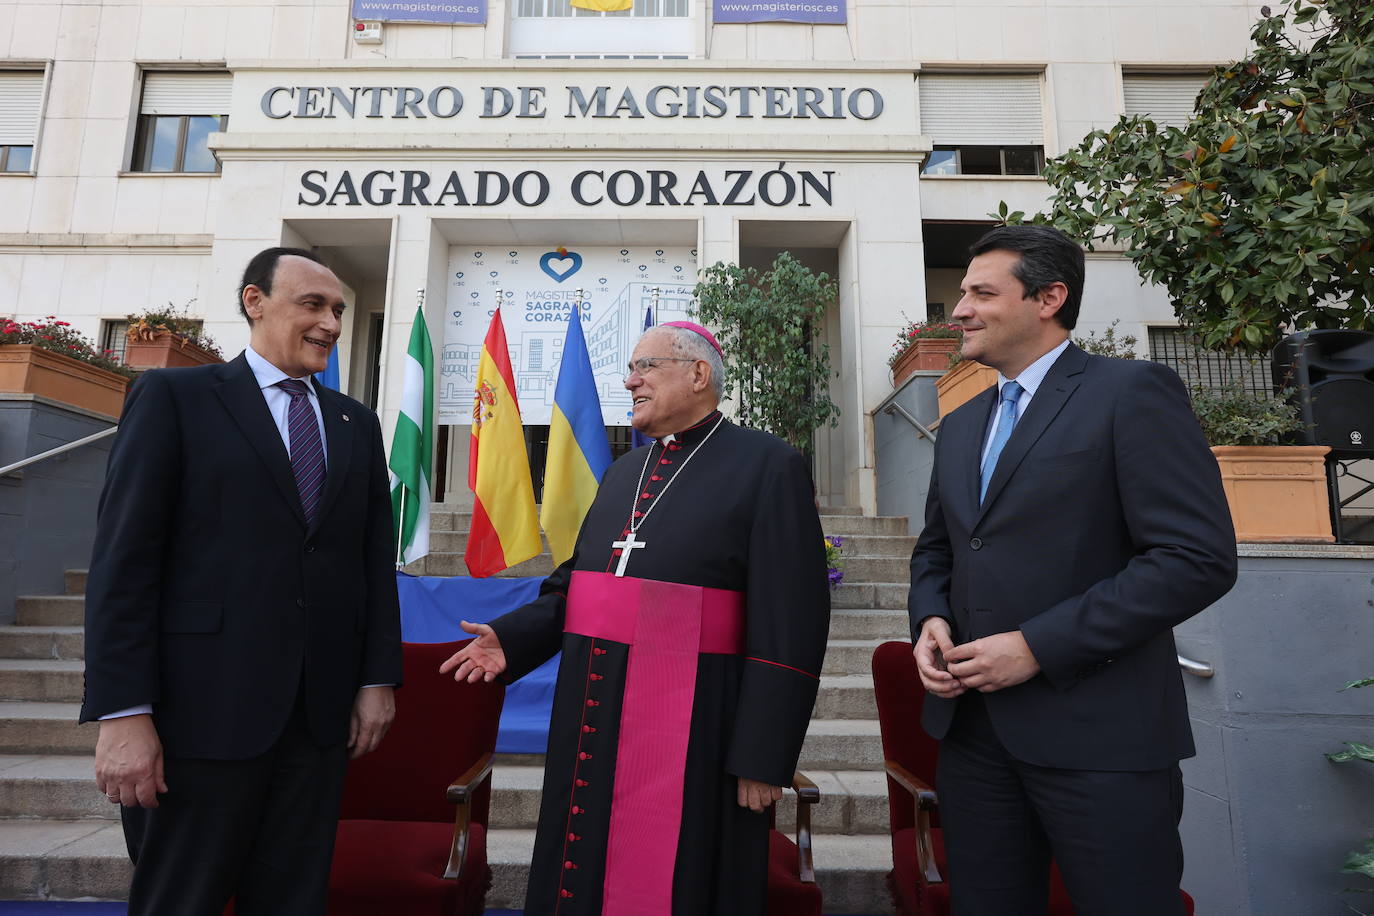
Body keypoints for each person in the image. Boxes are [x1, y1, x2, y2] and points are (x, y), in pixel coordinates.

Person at [442, 321, 830, 915]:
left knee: (680, 877)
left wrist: (763, 754)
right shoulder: (625, 472)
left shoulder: (768, 465)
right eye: (631, 368)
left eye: (645, 366)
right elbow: (580, 581)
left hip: (701, 720)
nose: (630, 381)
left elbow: (792, 622)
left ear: (698, 374)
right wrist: (514, 638)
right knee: (584, 862)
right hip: (595, 708)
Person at [908, 225, 1238, 915]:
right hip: (972, 737)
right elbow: (940, 548)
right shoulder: (962, 419)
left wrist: (1036, 647)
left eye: (981, 292)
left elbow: (1195, 559)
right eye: (962, 293)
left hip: (1103, 742)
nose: (959, 309)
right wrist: (930, 618)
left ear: (1049, 297)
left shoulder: (1133, 392)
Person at [80, 248, 403, 915]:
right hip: (197, 720)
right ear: (255, 302)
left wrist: (376, 679)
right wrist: (123, 712)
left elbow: (372, 563)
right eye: (312, 305)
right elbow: (125, 563)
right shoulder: (176, 398)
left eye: (339, 310)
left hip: (316, 724)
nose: (332, 324)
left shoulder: (355, 423)